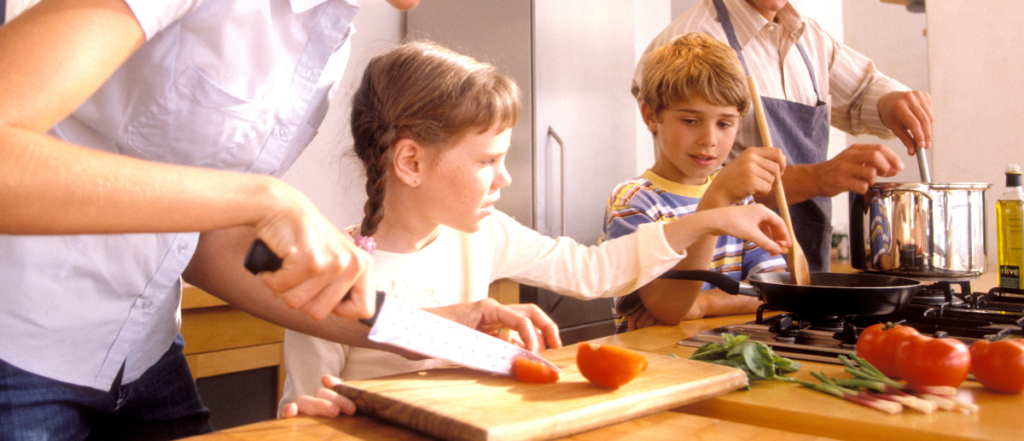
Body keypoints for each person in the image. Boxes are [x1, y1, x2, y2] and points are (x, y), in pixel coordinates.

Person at [0, 0, 559, 440]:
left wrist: (423, 329)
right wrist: (260, 196)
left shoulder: (327, 35)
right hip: (19, 353)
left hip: (143, 363)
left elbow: (217, 247)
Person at [278, 41, 790, 418]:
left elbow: (594, 271)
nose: (504, 178)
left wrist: (708, 217)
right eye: (488, 161)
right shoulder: (332, 271)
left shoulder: (484, 234)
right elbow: (299, 408)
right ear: (410, 161)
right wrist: (310, 413)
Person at [634, 0, 935, 272]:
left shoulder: (809, 39)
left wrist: (895, 101)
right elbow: (703, 190)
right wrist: (821, 177)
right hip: (721, 278)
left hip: (804, 270)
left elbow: (864, 92)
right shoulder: (686, 43)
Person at [606, 33, 788, 332]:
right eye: (690, 121)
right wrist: (717, 199)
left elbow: (773, 292)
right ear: (651, 116)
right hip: (656, 364)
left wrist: (704, 304)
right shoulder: (634, 201)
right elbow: (668, 308)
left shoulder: (742, 201)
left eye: (725, 123)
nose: (709, 140)